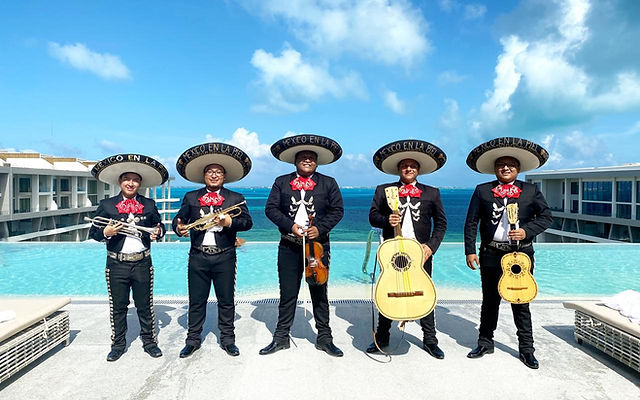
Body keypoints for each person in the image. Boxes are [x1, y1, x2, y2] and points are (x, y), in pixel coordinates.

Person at [464, 137, 553, 369]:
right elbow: (471, 222)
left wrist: (526, 231)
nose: (505, 168)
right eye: (501, 164)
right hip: (491, 253)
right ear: (495, 168)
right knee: (490, 301)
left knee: (521, 301)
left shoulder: (531, 190)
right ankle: (485, 342)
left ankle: (527, 349)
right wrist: (470, 251)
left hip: (521, 255)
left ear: (518, 168)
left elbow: (546, 217)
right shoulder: (483, 190)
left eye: (510, 164)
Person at [260, 134, 345, 357]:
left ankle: (325, 338)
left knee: (319, 292)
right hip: (289, 246)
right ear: (295, 161)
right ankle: (281, 337)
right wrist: (290, 226)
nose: (307, 160)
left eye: (311, 157)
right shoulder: (281, 182)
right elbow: (271, 209)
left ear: (317, 162)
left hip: (317, 247)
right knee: (288, 293)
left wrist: (321, 228)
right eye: (303, 157)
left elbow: (338, 210)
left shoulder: (329, 182)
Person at [367, 139, 448, 358]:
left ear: (418, 169)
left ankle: (430, 340)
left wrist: (431, 247)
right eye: (404, 166)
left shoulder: (432, 192)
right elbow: (372, 216)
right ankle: (382, 337)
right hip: (392, 253)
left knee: (425, 293)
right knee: (388, 292)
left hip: (421, 253)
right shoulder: (383, 190)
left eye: (412, 166)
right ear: (398, 169)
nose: (408, 169)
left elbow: (441, 223)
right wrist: (386, 220)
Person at [173, 142, 253, 358]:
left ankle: (228, 340)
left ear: (224, 176)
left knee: (226, 300)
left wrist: (229, 222)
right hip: (198, 255)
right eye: (210, 171)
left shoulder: (235, 198)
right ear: (204, 175)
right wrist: (178, 227)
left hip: (225, 256)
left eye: (218, 172)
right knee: (196, 301)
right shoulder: (191, 197)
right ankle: (192, 340)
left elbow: (247, 222)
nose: (214, 175)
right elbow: (180, 218)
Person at [89, 154, 168, 362]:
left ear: (139, 183)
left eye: (135, 180)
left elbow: (159, 226)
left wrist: (158, 232)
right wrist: (106, 232)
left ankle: (150, 342)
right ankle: (118, 345)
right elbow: (93, 233)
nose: (131, 183)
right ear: (120, 182)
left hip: (142, 262)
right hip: (116, 263)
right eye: (127, 179)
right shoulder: (107, 205)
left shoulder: (149, 204)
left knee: (145, 305)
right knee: (118, 307)